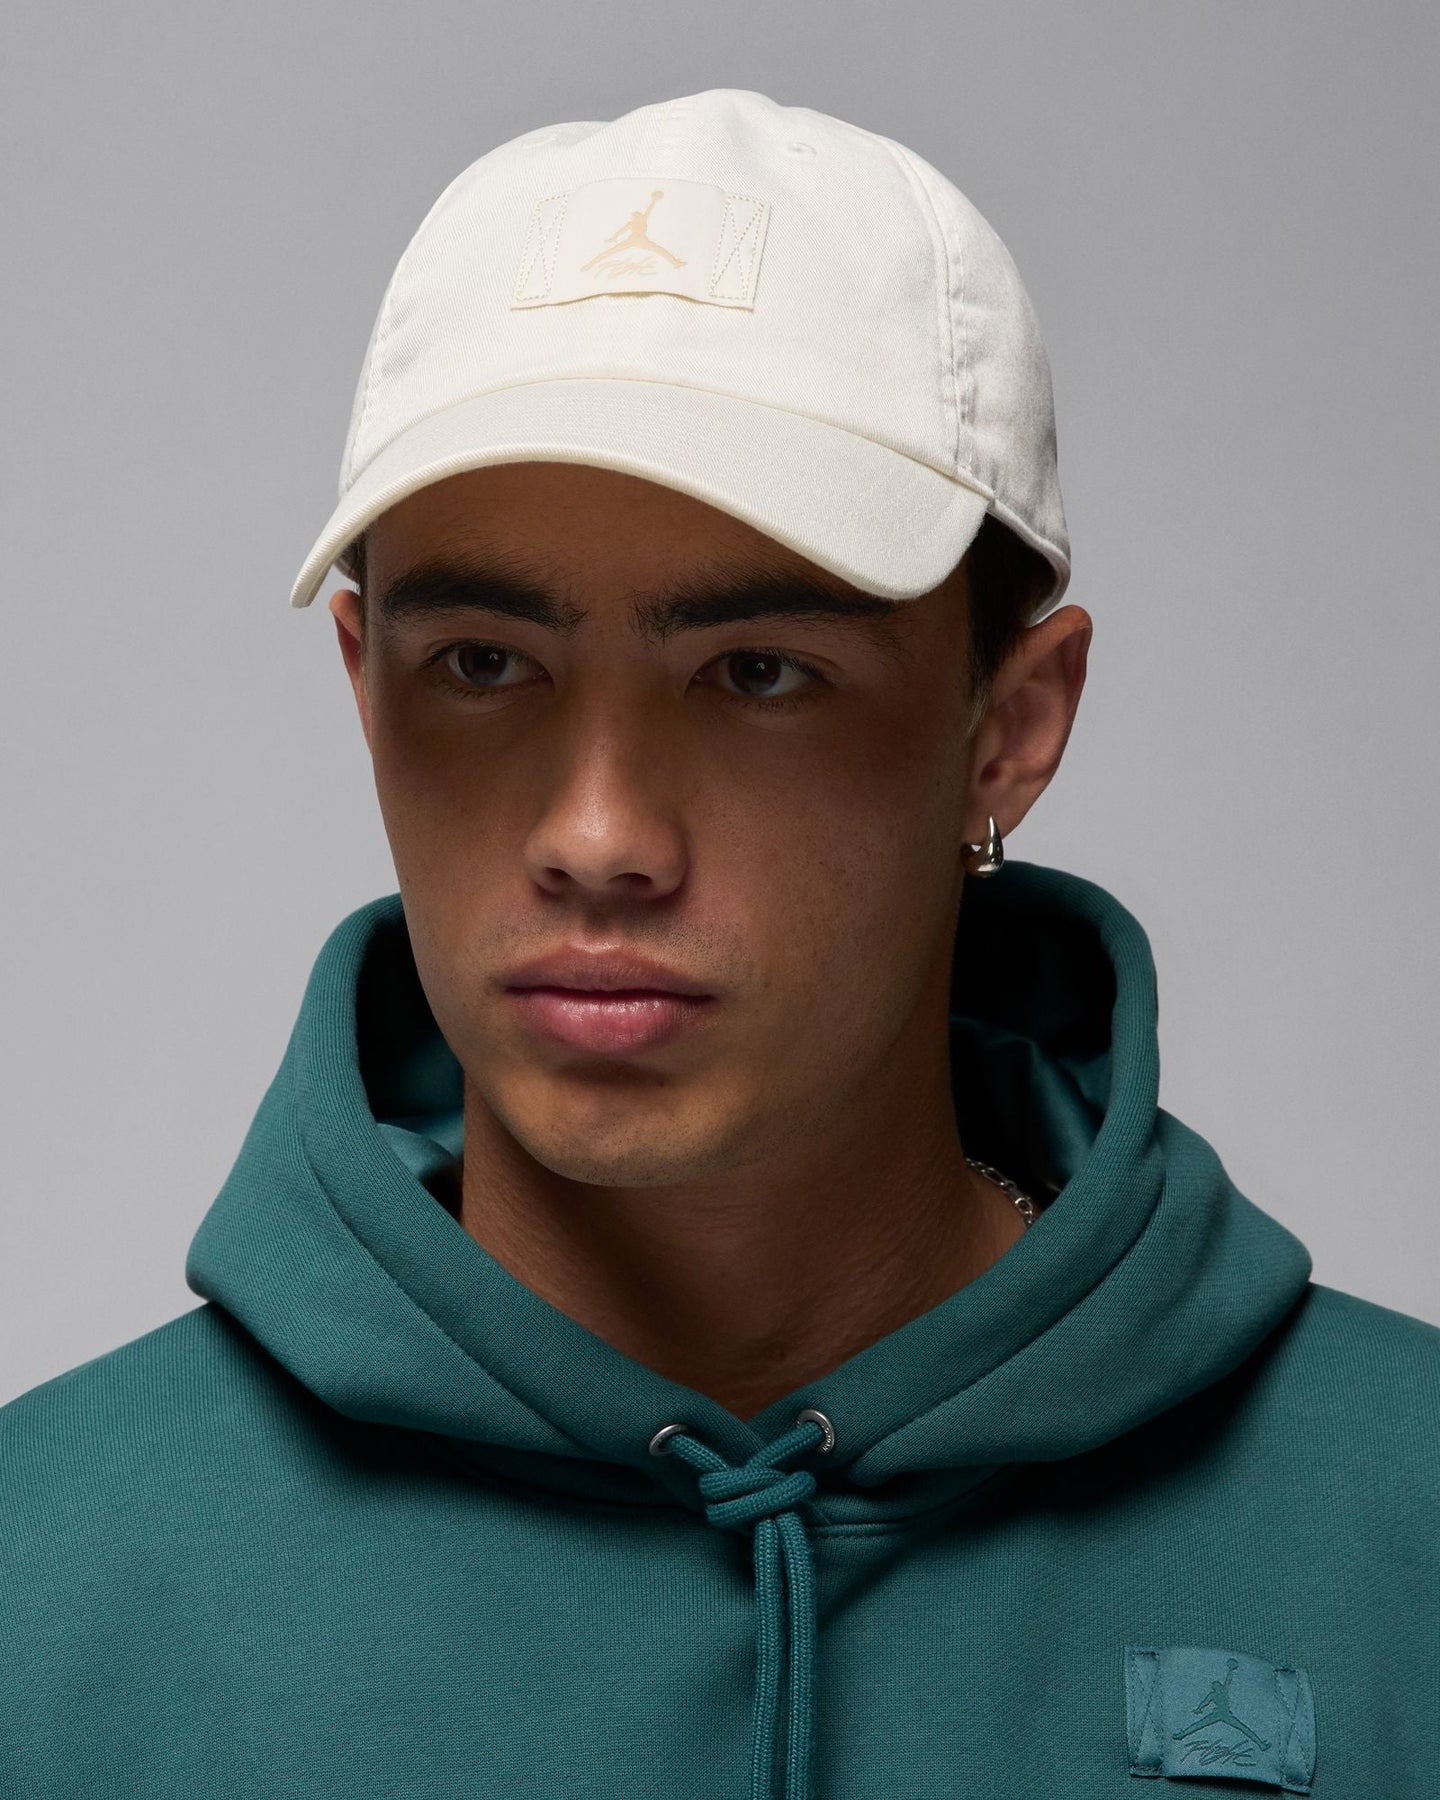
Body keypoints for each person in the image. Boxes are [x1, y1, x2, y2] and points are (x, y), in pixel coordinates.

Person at [1, 87, 1434, 1800]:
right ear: (365, 690)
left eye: (759, 673)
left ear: (1011, 726)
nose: (599, 835)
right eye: (483, 664)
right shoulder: (42, 1580)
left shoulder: (1400, 1527)